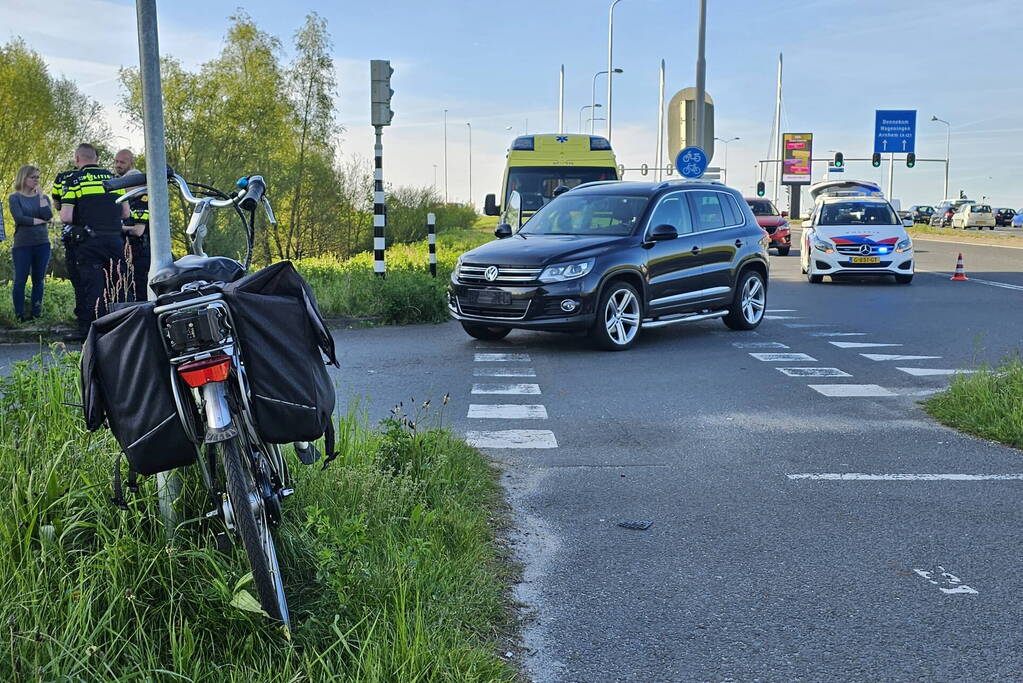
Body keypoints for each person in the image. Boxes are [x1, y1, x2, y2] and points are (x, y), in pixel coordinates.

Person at [58, 143, 130, 342]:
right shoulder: (114, 179)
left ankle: (92, 334)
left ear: (77, 159)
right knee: (118, 285)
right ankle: (122, 330)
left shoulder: (73, 180)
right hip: (115, 240)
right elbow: (126, 213)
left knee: (92, 287)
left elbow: (66, 216)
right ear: (96, 159)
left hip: (89, 241)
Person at [7, 165, 53, 321]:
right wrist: (39, 221)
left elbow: (48, 216)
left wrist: (40, 197)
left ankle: (36, 314)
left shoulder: (43, 198)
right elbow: (20, 218)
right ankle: (19, 315)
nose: (36, 180)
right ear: (23, 178)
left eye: (38, 177)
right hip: (22, 245)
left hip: (42, 244)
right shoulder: (15, 198)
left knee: (38, 280)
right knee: (20, 280)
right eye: (33, 177)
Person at [112, 149, 150, 301]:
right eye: (116, 161)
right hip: (133, 251)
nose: (125, 188)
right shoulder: (132, 201)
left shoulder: (143, 200)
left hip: (141, 252)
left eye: (128, 184)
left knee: (140, 291)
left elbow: (138, 230)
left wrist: (115, 227)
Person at [52, 165, 83, 324]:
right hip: (94, 233)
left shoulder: (62, 178)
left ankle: (82, 316)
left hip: (72, 235)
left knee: (77, 278)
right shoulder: (102, 176)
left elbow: (58, 206)